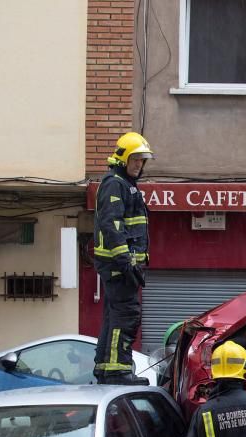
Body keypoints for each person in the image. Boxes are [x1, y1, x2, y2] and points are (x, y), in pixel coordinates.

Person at [93, 131, 154, 385]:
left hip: (124, 266)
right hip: (120, 266)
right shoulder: (115, 184)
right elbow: (112, 223)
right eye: (135, 159)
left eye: (142, 160)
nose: (139, 165)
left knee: (114, 316)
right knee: (126, 315)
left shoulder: (126, 185)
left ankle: (107, 368)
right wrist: (125, 261)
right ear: (123, 158)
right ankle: (119, 371)